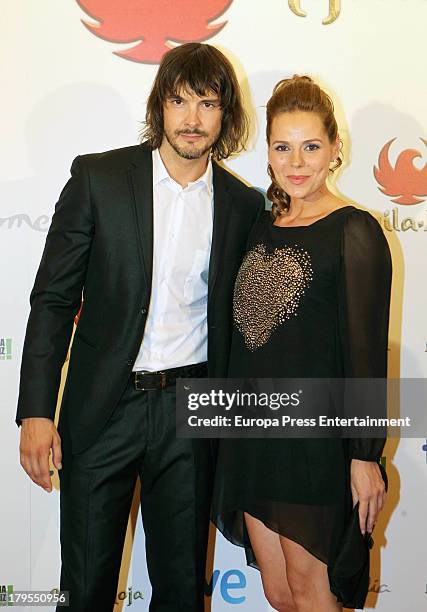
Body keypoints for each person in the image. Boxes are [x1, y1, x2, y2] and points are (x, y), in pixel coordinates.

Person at [16, 42, 264, 611]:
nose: (193, 119)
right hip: (103, 409)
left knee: (180, 590)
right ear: (160, 106)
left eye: (208, 103)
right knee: (85, 586)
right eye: (180, 101)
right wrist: (35, 411)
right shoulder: (99, 179)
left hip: (191, 411)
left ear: (225, 115)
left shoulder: (241, 205)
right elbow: (53, 300)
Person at [211, 76, 392, 612]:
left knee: (315, 595)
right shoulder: (260, 225)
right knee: (279, 594)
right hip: (250, 436)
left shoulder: (353, 231)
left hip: (313, 444)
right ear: (266, 150)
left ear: (335, 148)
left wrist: (365, 456)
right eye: (282, 147)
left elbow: (365, 354)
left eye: (311, 146)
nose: (296, 162)